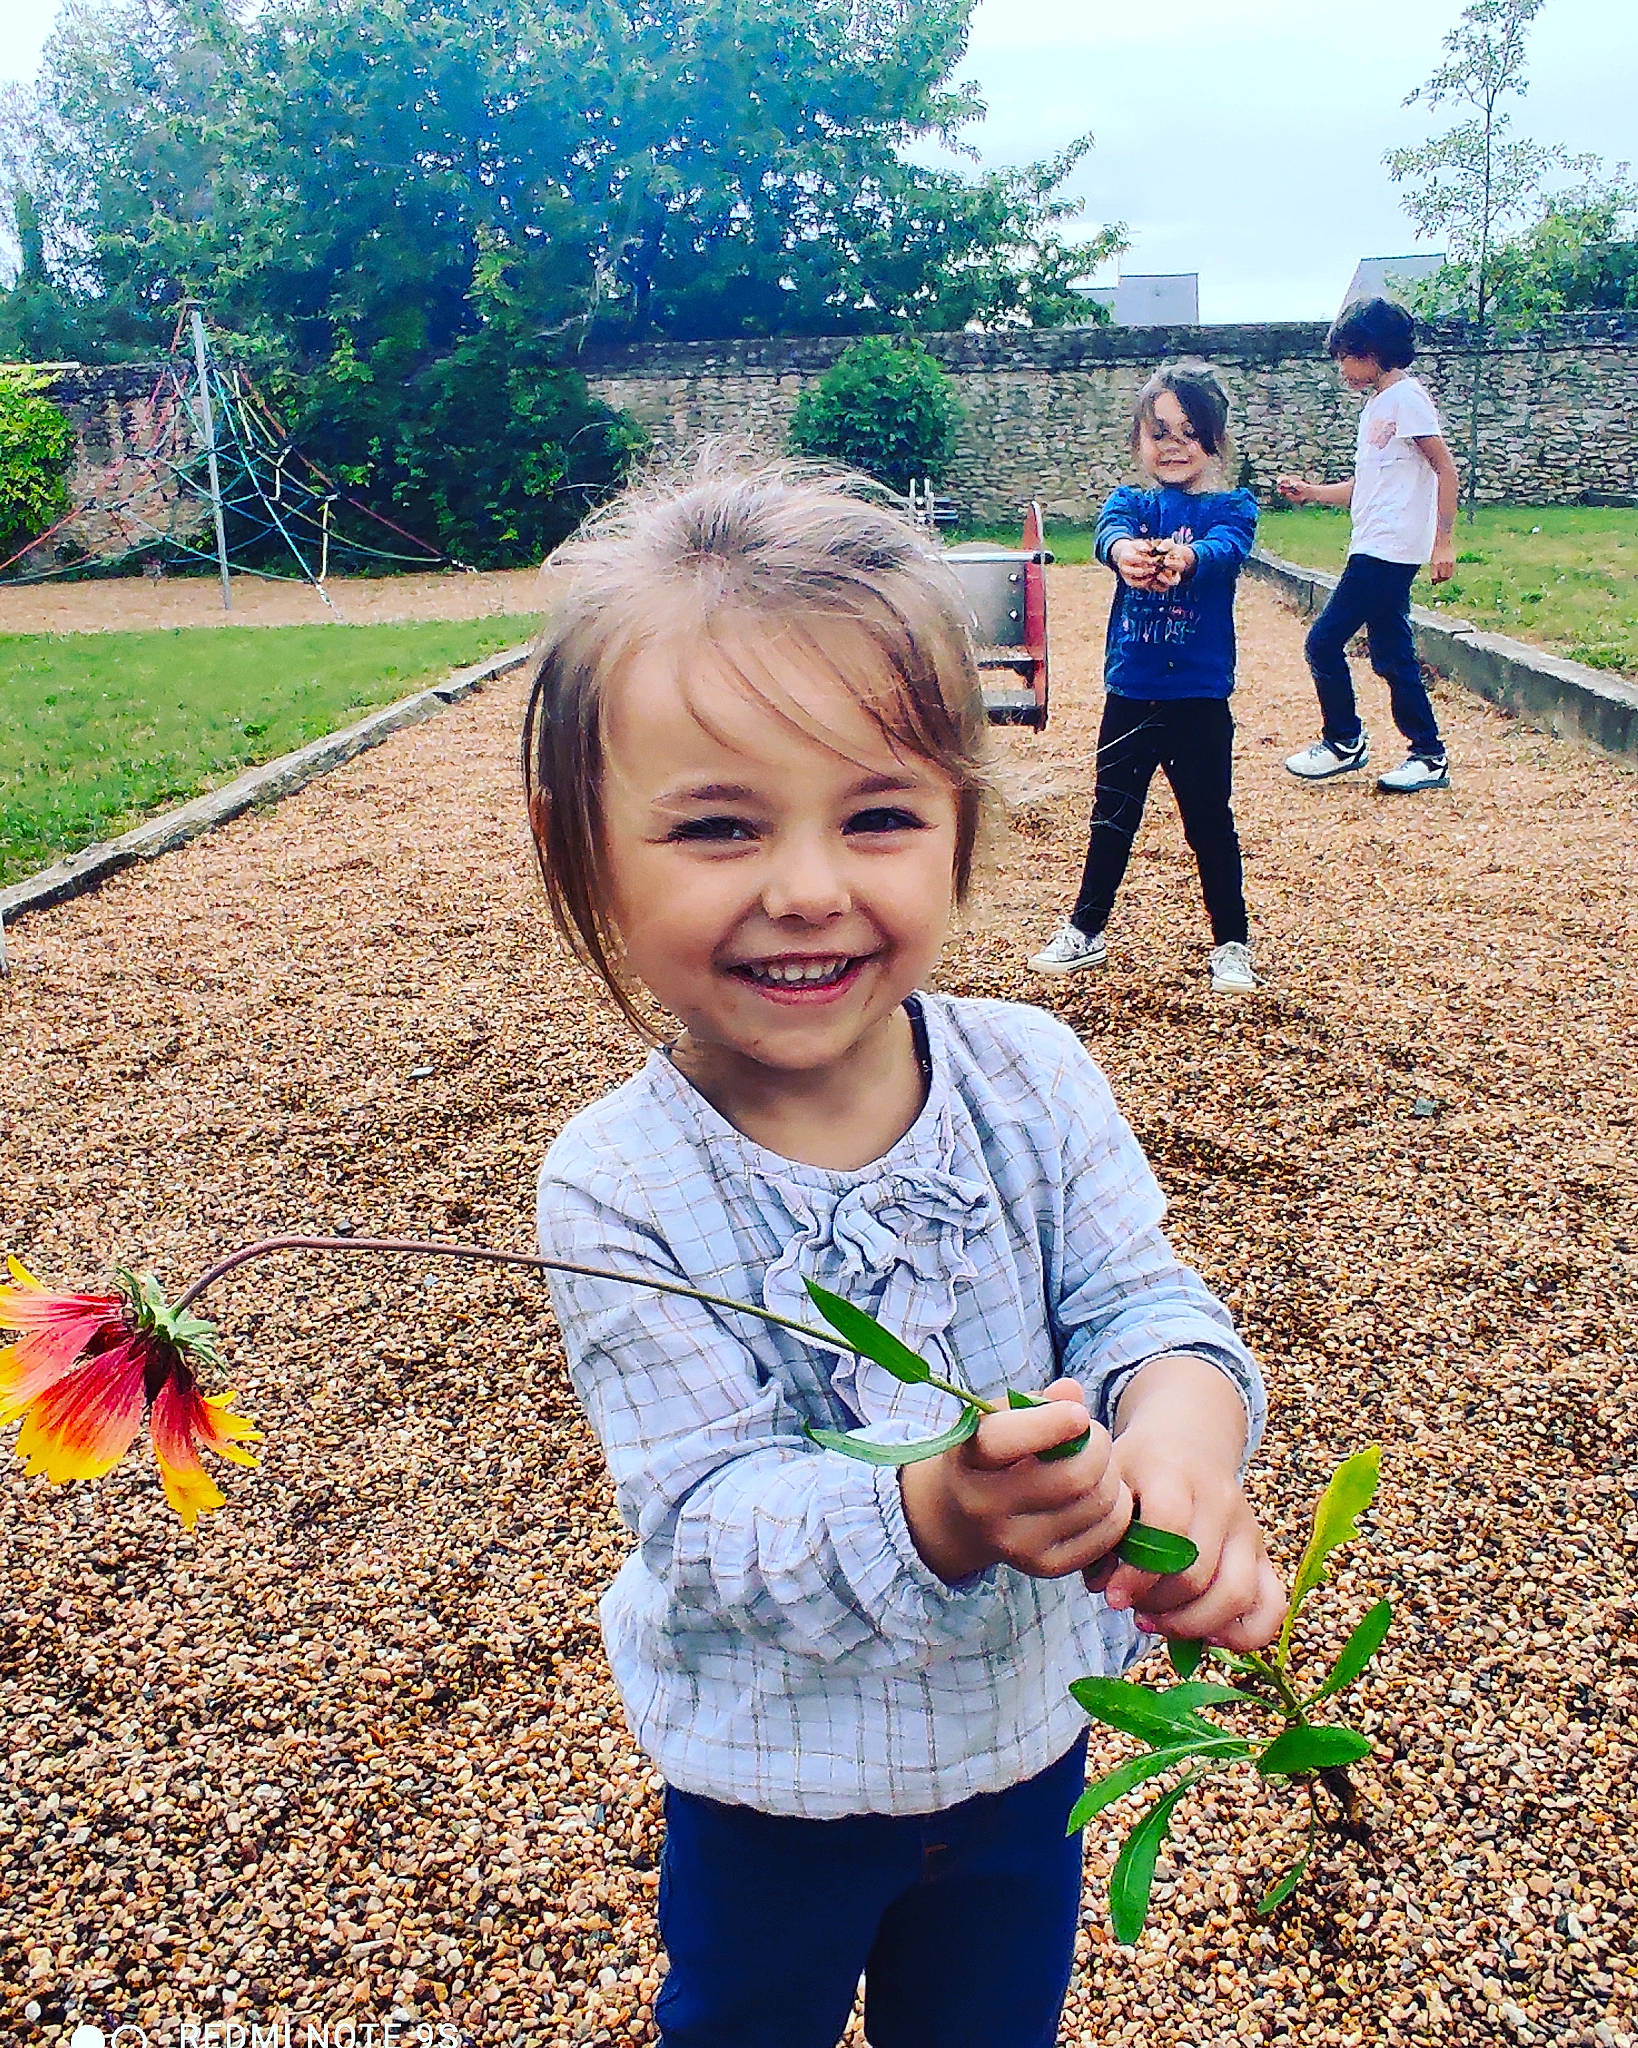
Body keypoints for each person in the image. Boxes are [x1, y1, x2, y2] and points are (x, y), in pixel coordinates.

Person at [523, 454, 1286, 2048]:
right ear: (583, 845)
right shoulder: (618, 1184)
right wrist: (936, 1508)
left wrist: (1181, 1451)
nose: (806, 890)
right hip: (776, 1784)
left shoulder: (1029, 1074)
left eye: (875, 815)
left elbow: (1150, 1307)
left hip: (1031, 1748)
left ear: (960, 825)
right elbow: (707, 1524)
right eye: (717, 826)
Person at [1027, 361, 1261, 996]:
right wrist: (1124, 553)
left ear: (1217, 439)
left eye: (1190, 430)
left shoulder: (1234, 507)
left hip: (1201, 698)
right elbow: (1110, 536)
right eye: (1159, 431)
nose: (1174, 444)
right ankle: (1086, 928)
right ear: (1138, 440)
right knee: (1112, 814)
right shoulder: (1128, 504)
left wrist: (1186, 558)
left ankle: (1232, 941)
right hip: (1130, 691)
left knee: (1209, 819)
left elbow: (1225, 550)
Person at [1278, 296, 1460, 794]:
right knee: (1391, 653)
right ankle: (1427, 754)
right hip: (1375, 543)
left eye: (1347, 355)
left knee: (1323, 641)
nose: (1341, 367)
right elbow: (1367, 485)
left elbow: (1445, 469)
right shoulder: (1380, 406)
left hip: (1391, 548)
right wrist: (1313, 492)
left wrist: (1443, 543)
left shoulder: (1407, 398)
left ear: (1374, 352)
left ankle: (1344, 741)